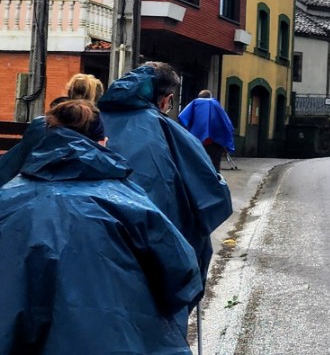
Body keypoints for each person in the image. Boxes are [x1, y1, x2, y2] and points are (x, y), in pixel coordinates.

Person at [0, 100, 202, 354]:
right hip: (124, 341)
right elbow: (182, 273)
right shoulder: (128, 200)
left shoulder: (7, 199)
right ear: (102, 142)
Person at [97, 62, 232, 315]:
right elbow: (213, 200)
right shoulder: (169, 132)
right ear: (166, 100)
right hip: (154, 253)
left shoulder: (88, 122)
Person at [0, 73, 105, 186]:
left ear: (70, 91)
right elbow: (99, 150)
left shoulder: (53, 115)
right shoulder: (94, 118)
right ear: (94, 95)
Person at [179, 89, 237, 172]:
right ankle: (216, 182)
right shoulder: (216, 104)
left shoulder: (194, 104)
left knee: (197, 166)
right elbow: (227, 124)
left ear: (199, 97)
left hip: (198, 141)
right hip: (216, 142)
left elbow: (183, 118)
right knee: (215, 166)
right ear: (210, 96)